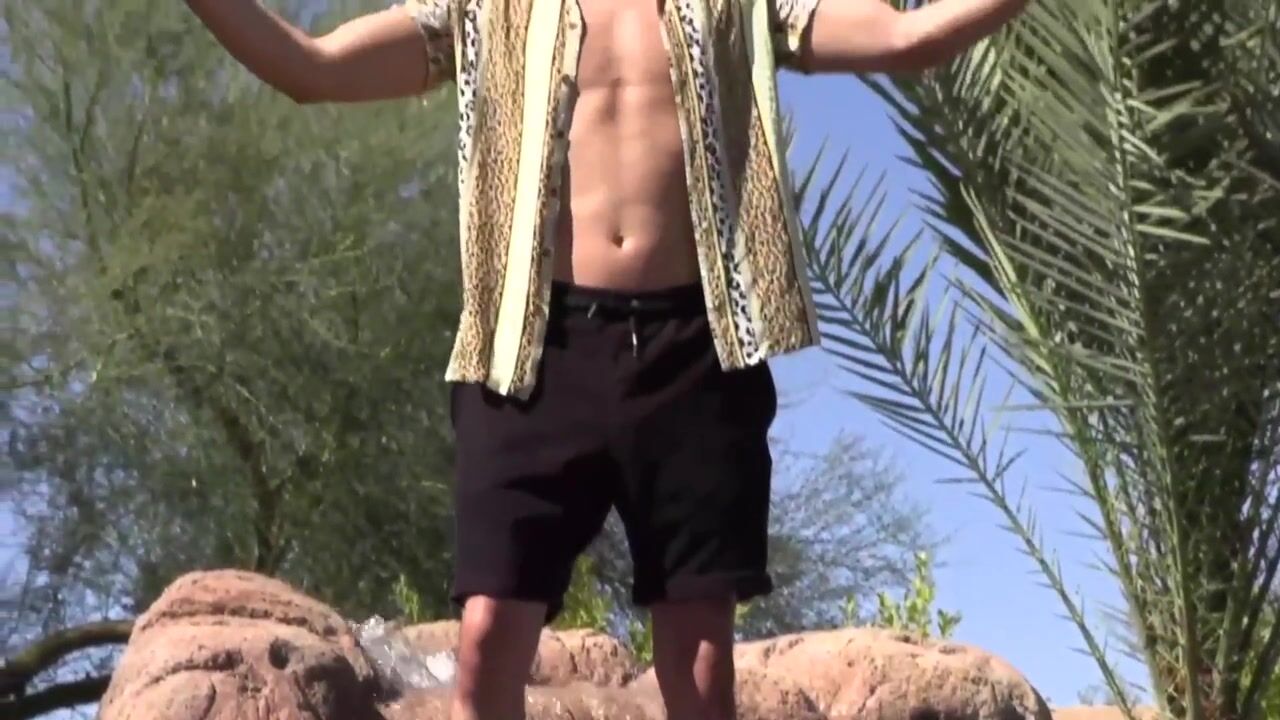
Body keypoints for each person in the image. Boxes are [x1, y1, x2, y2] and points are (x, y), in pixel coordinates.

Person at [184, 0, 1028, 717]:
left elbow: (910, 38)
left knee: (700, 663)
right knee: (488, 637)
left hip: (696, 347)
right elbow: (312, 67)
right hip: (533, 348)